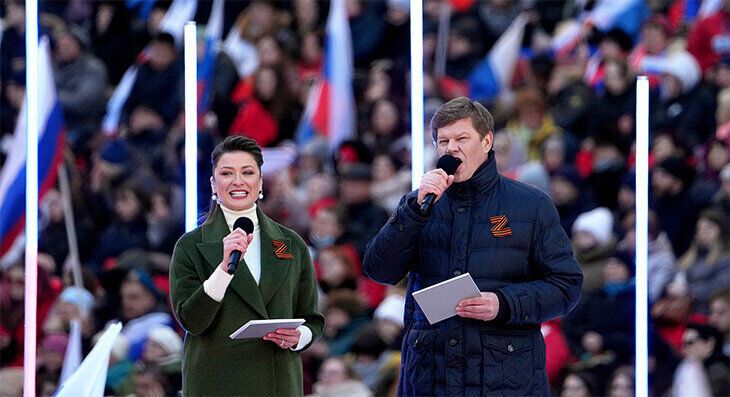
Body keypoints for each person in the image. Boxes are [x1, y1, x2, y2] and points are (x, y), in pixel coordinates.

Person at [363, 97, 583, 395]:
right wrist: (412, 213)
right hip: (431, 377)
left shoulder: (530, 206)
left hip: (504, 379)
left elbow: (565, 286)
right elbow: (379, 270)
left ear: (486, 141)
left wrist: (503, 304)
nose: (451, 148)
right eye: (443, 141)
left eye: (461, 138)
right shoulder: (418, 205)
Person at [169, 135, 324, 396]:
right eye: (227, 173)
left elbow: (313, 319)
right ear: (214, 184)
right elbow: (191, 320)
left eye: (247, 172)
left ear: (260, 182)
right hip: (216, 382)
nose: (238, 181)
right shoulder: (190, 246)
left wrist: (301, 337)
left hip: (277, 381)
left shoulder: (291, 244)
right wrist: (223, 270)